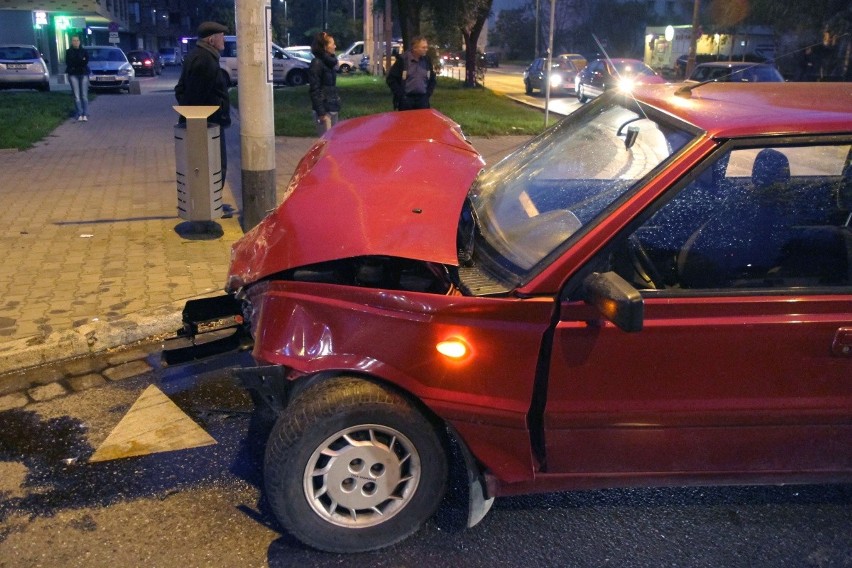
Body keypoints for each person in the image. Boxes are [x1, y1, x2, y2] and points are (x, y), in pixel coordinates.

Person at [175, 21, 232, 181]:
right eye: (222, 36)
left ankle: (213, 203)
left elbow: (180, 89)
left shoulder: (197, 56)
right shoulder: (205, 60)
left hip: (204, 123)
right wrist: (214, 111)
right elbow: (197, 95)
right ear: (211, 40)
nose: (224, 40)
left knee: (211, 165)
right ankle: (212, 204)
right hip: (208, 125)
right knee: (215, 166)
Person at [386, 36, 436, 111]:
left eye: (426, 47)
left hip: (422, 100)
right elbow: (391, 79)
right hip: (406, 100)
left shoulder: (427, 61)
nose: (426, 50)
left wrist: (428, 94)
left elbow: (432, 79)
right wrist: (400, 95)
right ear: (415, 48)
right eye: (423, 47)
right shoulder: (403, 60)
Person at [308, 31, 341, 135]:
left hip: (333, 107)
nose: (335, 46)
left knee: (333, 143)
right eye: (332, 44)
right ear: (325, 47)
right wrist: (321, 112)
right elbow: (315, 89)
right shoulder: (317, 63)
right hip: (324, 110)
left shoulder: (330, 63)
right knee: (326, 144)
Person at [65, 36, 89, 122]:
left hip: (83, 74)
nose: (75, 42)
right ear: (71, 42)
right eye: (74, 40)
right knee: (76, 95)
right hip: (73, 74)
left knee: (84, 95)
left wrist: (77, 61)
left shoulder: (84, 51)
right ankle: (79, 113)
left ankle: (85, 114)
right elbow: (68, 62)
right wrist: (80, 60)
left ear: (80, 42)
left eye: (77, 40)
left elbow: (85, 62)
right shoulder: (68, 52)